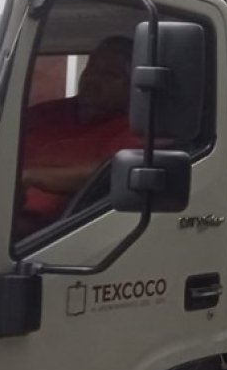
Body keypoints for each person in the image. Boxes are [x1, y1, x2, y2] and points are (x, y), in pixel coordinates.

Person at [18, 36, 140, 232]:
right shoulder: (44, 113)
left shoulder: (137, 129)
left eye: (109, 74)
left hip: (54, 235)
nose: (93, 79)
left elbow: (105, 174)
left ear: (134, 85)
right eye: (91, 69)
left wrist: (30, 177)